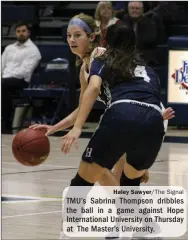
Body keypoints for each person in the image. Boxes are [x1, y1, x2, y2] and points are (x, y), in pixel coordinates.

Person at [29, 14, 174, 186]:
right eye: (68, 35)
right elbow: (84, 106)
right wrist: (55, 127)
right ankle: (128, 207)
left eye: (77, 35)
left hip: (143, 112)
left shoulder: (103, 55)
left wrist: (77, 129)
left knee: (100, 169)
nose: (71, 40)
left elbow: (131, 86)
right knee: (110, 176)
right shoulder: (85, 68)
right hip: (136, 116)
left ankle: (127, 202)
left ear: (92, 37)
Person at [2, 21, 41, 133]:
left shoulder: (33, 50)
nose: (21, 33)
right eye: (18, 31)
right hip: (5, 79)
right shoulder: (9, 48)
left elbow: (25, 71)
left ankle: (4, 121)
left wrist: (4, 77)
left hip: (21, 81)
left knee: (3, 86)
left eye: (23, 31)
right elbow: (1, 65)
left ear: (28, 33)